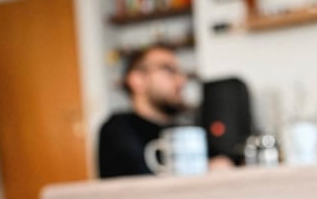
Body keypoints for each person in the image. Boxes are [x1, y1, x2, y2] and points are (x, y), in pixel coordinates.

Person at [97, 43, 232, 177]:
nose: (182, 80)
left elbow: (222, 161)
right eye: (169, 70)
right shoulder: (118, 129)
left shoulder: (184, 130)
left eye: (180, 73)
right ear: (137, 80)